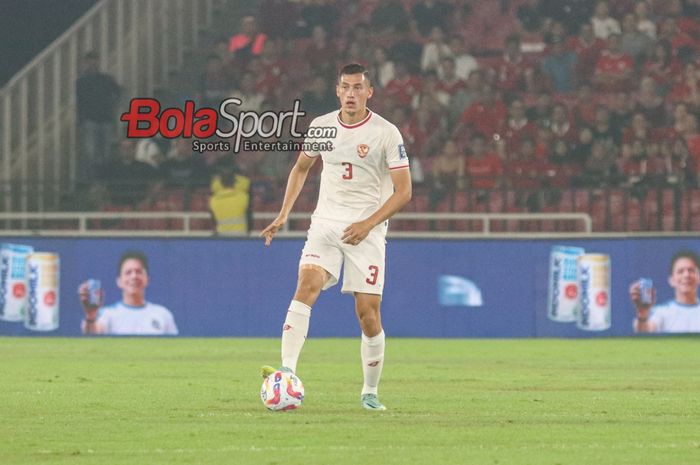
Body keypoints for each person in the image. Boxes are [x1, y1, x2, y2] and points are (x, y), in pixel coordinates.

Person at [259, 63, 412, 411]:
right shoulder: (321, 126)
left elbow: (404, 192)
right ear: (337, 90)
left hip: (366, 230)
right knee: (306, 284)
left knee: (367, 314)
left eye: (358, 88)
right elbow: (301, 168)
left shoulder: (386, 133)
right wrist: (283, 214)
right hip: (326, 223)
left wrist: (368, 224)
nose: (351, 94)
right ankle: (287, 372)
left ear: (369, 92)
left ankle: (369, 391)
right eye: (346, 87)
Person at [79, 250, 178, 335]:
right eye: (128, 272)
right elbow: (93, 336)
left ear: (147, 279)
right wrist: (90, 315)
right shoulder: (107, 314)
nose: (134, 276)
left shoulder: (163, 314)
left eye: (138, 271)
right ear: (119, 281)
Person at [631, 249, 700, 333]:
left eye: (691, 270)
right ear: (671, 280)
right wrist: (642, 313)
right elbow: (645, 332)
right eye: (680, 271)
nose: (686, 275)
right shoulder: (662, 313)